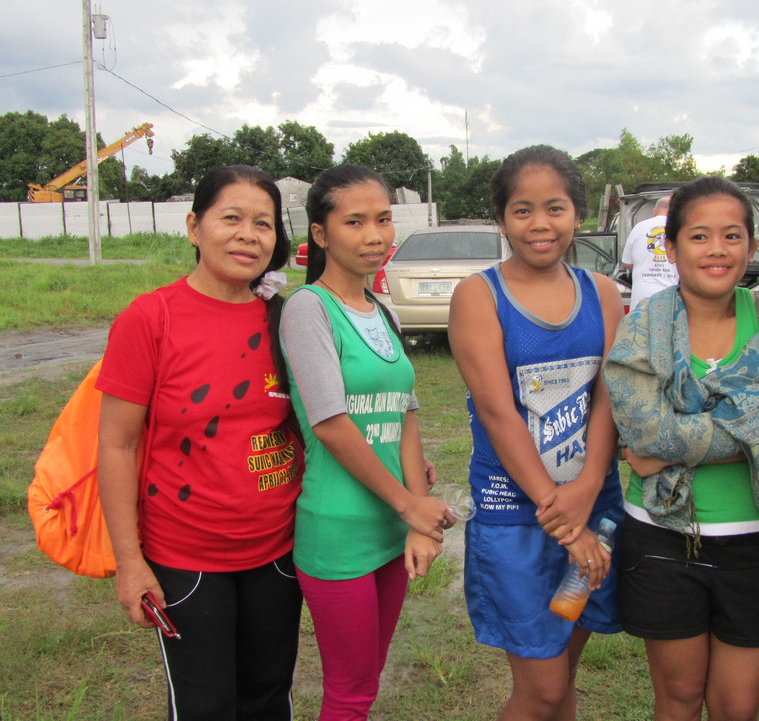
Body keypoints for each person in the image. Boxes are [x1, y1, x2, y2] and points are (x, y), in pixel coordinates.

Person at [96, 165, 303, 720]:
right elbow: (116, 446)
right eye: (231, 218)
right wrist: (129, 561)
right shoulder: (151, 318)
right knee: (203, 707)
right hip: (185, 559)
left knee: (268, 698)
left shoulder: (288, 319)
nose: (248, 235)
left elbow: (324, 421)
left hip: (279, 553)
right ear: (194, 227)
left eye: (263, 223)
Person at [604, 176, 759, 721]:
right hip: (661, 537)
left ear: (752, 247)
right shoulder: (642, 325)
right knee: (679, 700)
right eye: (699, 236)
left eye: (733, 236)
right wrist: (744, 429)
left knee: (737, 707)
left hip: (756, 542)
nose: (717, 249)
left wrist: (671, 449)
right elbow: (646, 434)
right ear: (670, 247)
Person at [448, 144, 625, 721]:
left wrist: (588, 487)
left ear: (578, 214)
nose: (540, 224)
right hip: (516, 519)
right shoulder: (479, 295)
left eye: (555, 207)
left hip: (594, 508)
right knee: (542, 689)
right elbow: (497, 413)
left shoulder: (602, 293)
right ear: (501, 219)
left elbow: (608, 397)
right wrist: (561, 515)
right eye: (522, 210)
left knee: (565, 672)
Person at [279, 164, 453, 721]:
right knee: (349, 693)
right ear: (321, 234)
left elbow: (405, 415)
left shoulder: (385, 312)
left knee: (367, 682)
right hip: (338, 531)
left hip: (390, 528)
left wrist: (416, 518)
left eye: (383, 219)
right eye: (354, 222)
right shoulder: (309, 308)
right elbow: (330, 423)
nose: (374, 235)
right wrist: (410, 505)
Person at [622, 195, 677, 308]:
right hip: (670, 298)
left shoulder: (639, 227)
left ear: (655, 211)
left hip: (641, 299)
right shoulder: (678, 229)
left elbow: (626, 263)